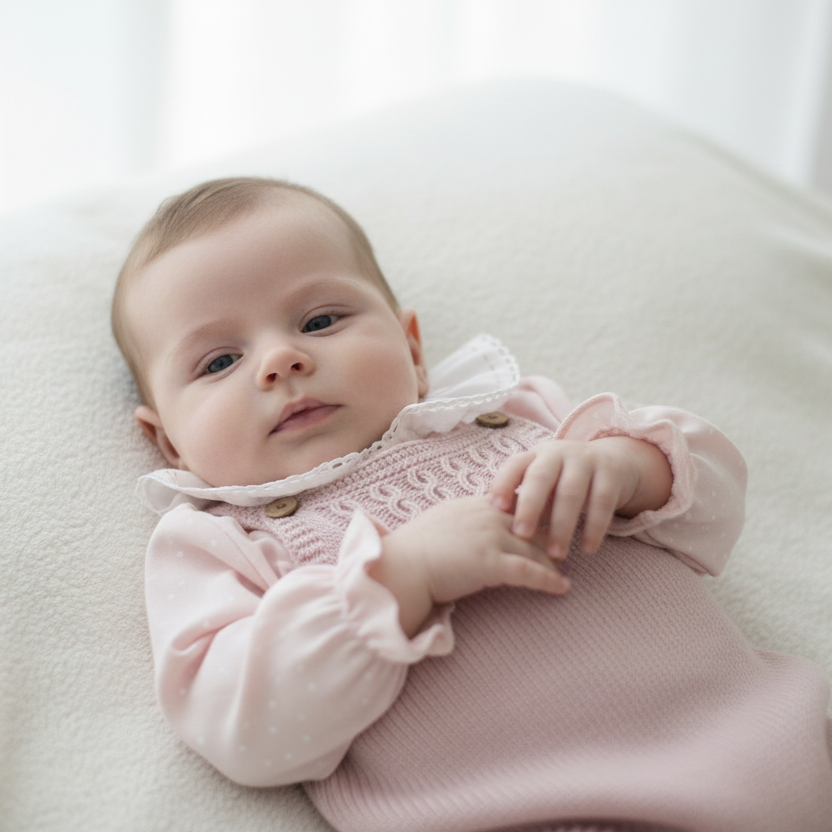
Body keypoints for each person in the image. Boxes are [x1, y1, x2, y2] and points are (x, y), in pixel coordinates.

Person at [113, 177, 832, 832]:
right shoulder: (213, 541)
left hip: (777, 744)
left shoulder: (515, 413)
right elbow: (244, 727)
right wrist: (399, 579)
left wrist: (626, 466)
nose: (281, 361)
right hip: (550, 811)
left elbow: (716, 505)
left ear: (413, 347)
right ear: (167, 440)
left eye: (322, 320)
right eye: (218, 362)